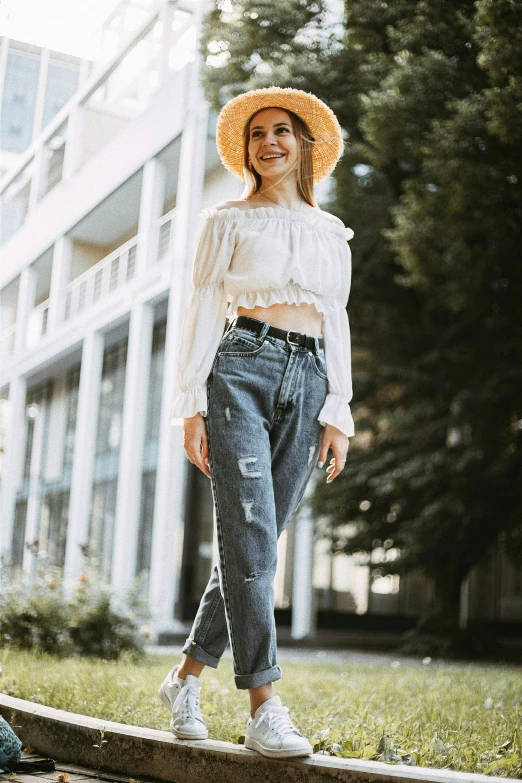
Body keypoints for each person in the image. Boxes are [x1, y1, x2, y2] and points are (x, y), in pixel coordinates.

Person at [158, 86, 355, 759]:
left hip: (311, 379)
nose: (268, 143)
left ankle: (184, 677)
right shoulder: (228, 220)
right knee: (250, 535)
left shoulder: (332, 233)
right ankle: (264, 703)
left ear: (303, 146)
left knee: (255, 542)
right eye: (258, 134)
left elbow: (338, 321)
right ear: (247, 149)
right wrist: (191, 402)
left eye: (282, 132)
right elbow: (203, 308)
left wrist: (340, 409)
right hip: (239, 368)